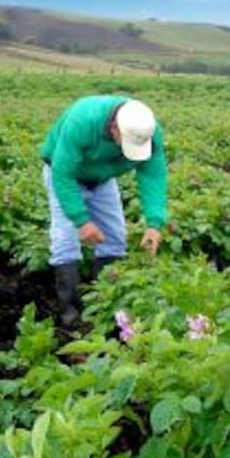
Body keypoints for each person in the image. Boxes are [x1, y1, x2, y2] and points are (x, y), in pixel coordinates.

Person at [38, 95, 168, 328]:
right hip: (65, 175)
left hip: (103, 179)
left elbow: (153, 173)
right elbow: (62, 174)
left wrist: (154, 223)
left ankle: (106, 305)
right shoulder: (83, 121)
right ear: (113, 128)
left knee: (115, 238)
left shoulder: (148, 130)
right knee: (65, 241)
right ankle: (71, 315)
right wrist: (81, 221)